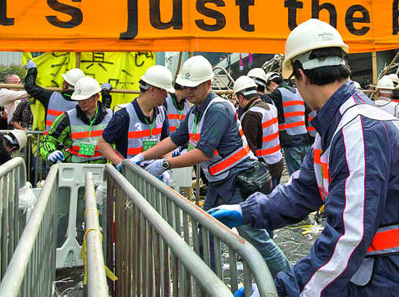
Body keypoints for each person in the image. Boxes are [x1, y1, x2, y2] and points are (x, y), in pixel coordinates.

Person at [208, 19, 399, 296]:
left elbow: (347, 237)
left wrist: (284, 290)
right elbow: (305, 189)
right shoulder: (335, 124)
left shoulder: (360, 130)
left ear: (301, 75)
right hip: (386, 274)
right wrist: (249, 211)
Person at [131, 56, 291, 277]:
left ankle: (290, 282)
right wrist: (142, 156)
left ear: (208, 83)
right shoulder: (195, 111)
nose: (188, 92)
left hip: (238, 184)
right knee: (207, 232)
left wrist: (165, 163)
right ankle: (211, 280)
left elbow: (203, 152)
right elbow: (176, 138)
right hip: (219, 185)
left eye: (194, 87)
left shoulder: (217, 109)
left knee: (257, 239)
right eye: (186, 87)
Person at [97, 65, 172, 165]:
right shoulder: (124, 116)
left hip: (152, 174)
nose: (166, 95)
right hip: (129, 176)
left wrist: (164, 165)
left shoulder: (161, 112)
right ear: (152, 89)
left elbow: (166, 142)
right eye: (164, 91)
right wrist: (121, 165)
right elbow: (102, 144)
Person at [38, 76, 112, 164]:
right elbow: (49, 140)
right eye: (79, 99)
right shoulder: (67, 118)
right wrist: (50, 152)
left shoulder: (110, 117)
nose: (81, 102)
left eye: (86, 98)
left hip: (102, 169)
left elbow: (118, 143)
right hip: (72, 169)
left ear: (97, 97)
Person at [233, 76, 285, 189]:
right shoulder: (271, 108)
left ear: (241, 98)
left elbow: (248, 149)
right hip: (277, 163)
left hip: (265, 169)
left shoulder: (251, 115)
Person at [25, 61, 98, 133]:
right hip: (74, 142)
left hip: (51, 142)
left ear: (65, 85)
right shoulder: (88, 103)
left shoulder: (51, 98)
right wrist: (106, 94)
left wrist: (32, 70)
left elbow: (30, 86)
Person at [267, 73, 310, 175]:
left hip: (291, 142)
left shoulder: (278, 93)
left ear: (272, 83)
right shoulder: (298, 92)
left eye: (268, 88)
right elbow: (307, 110)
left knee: (296, 178)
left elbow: (265, 102)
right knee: (307, 174)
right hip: (305, 139)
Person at [374, 76, 399, 143]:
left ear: (377, 92)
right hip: (393, 145)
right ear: (392, 93)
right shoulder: (397, 108)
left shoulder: (370, 106)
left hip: (376, 145)